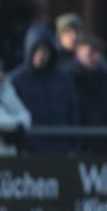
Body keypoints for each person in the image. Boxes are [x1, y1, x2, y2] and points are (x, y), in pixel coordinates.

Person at [9, 24, 79, 153]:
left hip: (60, 148)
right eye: (36, 49)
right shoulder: (16, 79)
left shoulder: (63, 78)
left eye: (45, 50)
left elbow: (73, 112)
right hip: (29, 150)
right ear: (29, 50)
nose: (41, 54)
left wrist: (72, 144)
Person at [64, 33, 107, 154]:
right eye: (91, 51)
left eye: (98, 52)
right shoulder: (66, 77)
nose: (96, 56)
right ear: (79, 50)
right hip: (77, 145)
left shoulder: (104, 77)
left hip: (102, 145)